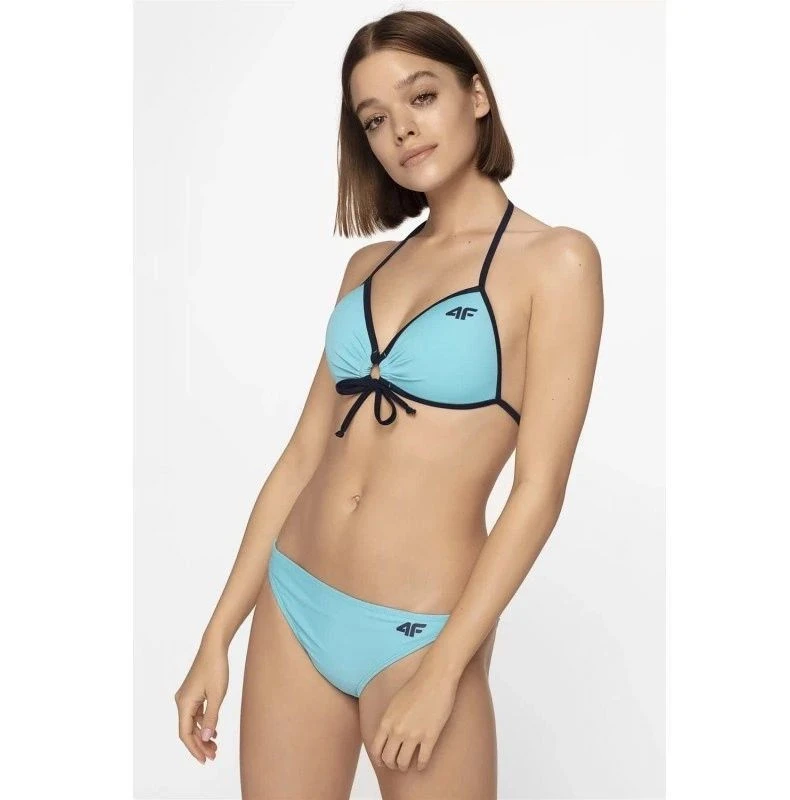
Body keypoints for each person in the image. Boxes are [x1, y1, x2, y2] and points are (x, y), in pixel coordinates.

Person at [174, 9, 603, 799]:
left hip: (421, 634)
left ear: (477, 95)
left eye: (421, 96)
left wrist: (446, 670)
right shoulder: (368, 267)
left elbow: (538, 491)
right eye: (374, 119)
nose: (401, 129)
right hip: (294, 601)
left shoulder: (557, 262)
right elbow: (303, 457)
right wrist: (217, 634)